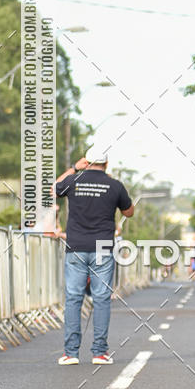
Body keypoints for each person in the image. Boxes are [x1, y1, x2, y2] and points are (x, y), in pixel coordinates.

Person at [54, 152, 134, 365]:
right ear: (106, 163)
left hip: (76, 245)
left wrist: (74, 168)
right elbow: (129, 212)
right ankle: (99, 353)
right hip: (103, 246)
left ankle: (71, 353)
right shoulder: (115, 185)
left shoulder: (73, 180)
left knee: (73, 298)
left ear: (87, 162)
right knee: (101, 299)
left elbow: (51, 190)